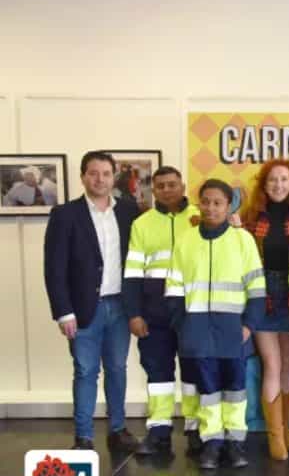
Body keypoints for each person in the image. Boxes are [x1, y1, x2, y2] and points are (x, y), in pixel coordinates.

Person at [165, 179, 266, 470]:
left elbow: (256, 288)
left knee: (235, 387)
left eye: (217, 202)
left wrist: (249, 325)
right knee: (207, 388)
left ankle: (234, 442)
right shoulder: (186, 240)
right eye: (205, 201)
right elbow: (174, 287)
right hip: (196, 329)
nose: (210, 207)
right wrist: (181, 324)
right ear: (199, 203)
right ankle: (212, 442)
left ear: (228, 205)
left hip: (233, 328)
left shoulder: (242, 240)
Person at [43, 151, 140, 451]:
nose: (100, 179)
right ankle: (83, 436)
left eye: (106, 173)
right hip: (84, 309)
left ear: (114, 177)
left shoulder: (128, 211)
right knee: (85, 371)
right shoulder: (65, 215)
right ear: (83, 176)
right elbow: (54, 268)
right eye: (93, 173)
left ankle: (118, 429)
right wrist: (63, 312)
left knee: (117, 368)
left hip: (120, 306)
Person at [122, 166, 202, 456]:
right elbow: (131, 274)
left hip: (193, 313)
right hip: (154, 315)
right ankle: (159, 431)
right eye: (161, 186)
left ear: (183, 185)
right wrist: (134, 313)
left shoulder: (200, 217)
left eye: (172, 184)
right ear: (153, 191)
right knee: (158, 374)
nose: (167, 190)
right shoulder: (142, 224)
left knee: (194, 372)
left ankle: (196, 430)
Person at [241, 159, 289, 461]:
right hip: (262, 295)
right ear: (263, 184)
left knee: (287, 364)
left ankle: (287, 427)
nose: (278, 185)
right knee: (271, 364)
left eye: (283, 179)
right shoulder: (250, 218)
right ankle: (275, 437)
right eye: (272, 180)